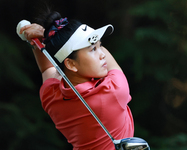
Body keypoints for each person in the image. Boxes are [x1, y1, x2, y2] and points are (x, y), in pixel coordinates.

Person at [20, 11, 134, 150]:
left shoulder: (51, 95)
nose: (102, 54)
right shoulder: (113, 91)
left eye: (99, 46)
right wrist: (42, 37)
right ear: (71, 64)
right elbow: (110, 64)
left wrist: (40, 40)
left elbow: (47, 69)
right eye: (93, 49)